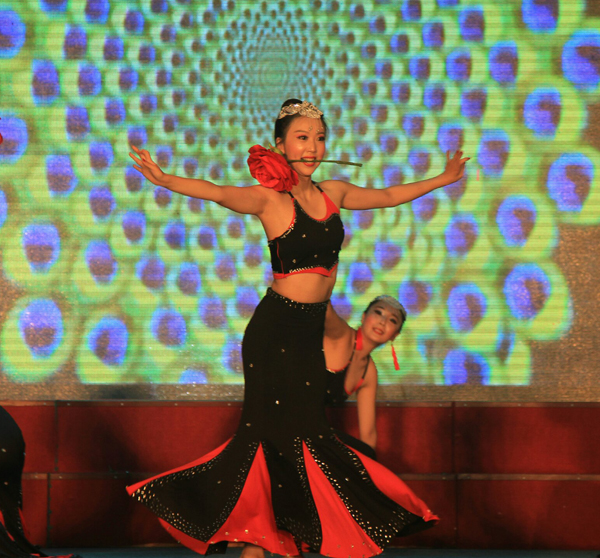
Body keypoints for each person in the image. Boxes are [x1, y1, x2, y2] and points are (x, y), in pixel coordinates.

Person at [127, 98, 469, 558]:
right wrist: (167, 179)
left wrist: (443, 179)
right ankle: (254, 536)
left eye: (319, 138)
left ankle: (273, 538)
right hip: (273, 333)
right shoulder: (270, 200)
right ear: (280, 145)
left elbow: (388, 196)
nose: (312, 147)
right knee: (266, 438)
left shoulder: (335, 192)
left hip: (309, 333)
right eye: (302, 138)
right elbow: (218, 192)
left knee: (307, 435)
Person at [324, 295, 407, 458]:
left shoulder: (369, 372)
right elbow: (323, 306)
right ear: (363, 317)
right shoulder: (341, 334)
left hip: (311, 432)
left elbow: (368, 435)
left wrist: (370, 467)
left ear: (394, 335)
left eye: (392, 320)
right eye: (378, 312)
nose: (382, 322)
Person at [0, 407, 78, 558]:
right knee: (7, 504)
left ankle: (11, 546)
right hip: (9, 440)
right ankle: (14, 544)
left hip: (5, 442)